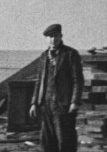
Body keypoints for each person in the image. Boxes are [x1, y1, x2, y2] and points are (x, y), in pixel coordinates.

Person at [30, 23, 84, 152]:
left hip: (63, 105)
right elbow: (39, 81)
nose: (53, 39)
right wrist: (34, 102)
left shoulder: (70, 54)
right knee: (47, 141)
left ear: (61, 37)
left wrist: (75, 102)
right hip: (46, 104)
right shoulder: (44, 56)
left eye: (55, 36)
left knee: (65, 140)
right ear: (46, 39)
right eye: (50, 36)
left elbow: (78, 80)